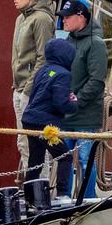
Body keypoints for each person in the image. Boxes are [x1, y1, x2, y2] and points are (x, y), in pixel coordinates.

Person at [61, 0, 107, 203]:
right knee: (63, 158)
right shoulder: (70, 40)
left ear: (81, 17)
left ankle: (88, 199)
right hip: (67, 112)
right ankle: (64, 198)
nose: (63, 21)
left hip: (85, 115)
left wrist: (76, 100)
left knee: (85, 159)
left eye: (67, 17)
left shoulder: (95, 44)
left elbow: (97, 81)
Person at [20, 39, 78, 194]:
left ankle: (29, 195)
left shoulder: (44, 70)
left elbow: (38, 95)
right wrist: (74, 103)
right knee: (65, 157)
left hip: (30, 120)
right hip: (46, 126)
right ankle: (62, 194)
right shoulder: (64, 75)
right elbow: (60, 103)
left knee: (36, 160)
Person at [10, 0, 56, 168]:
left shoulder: (42, 19)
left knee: (35, 144)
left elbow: (43, 58)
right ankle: (31, 187)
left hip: (31, 92)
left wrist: (28, 89)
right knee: (23, 142)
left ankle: (40, 190)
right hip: (19, 88)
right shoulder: (21, 18)